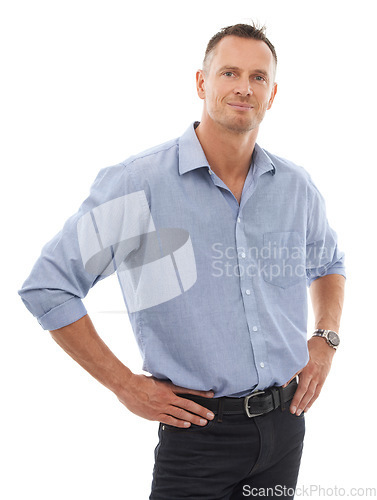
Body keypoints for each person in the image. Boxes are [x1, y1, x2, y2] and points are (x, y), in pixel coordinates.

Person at [19, 23, 346, 499]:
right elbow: (48, 287)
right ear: (201, 83)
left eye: (258, 77)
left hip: (285, 427)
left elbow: (329, 262)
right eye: (229, 72)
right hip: (198, 436)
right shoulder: (140, 184)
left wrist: (326, 339)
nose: (243, 87)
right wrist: (124, 385)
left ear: (272, 94)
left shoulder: (295, 187)